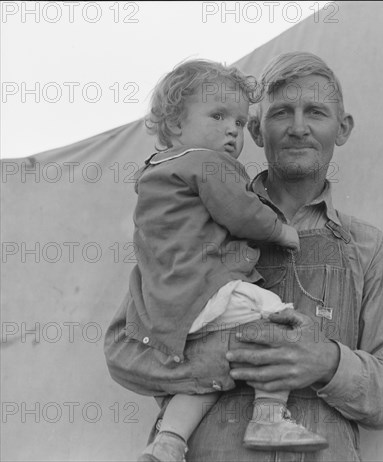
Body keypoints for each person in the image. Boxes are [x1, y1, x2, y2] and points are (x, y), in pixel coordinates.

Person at [145, 52, 383, 461]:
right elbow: (135, 350)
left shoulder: (367, 247)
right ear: (255, 128)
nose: (299, 127)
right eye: (282, 113)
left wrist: (327, 363)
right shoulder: (190, 226)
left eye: (316, 112)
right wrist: (221, 359)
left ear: (342, 129)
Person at [103, 59, 330, 462]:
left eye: (240, 122)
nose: (232, 129)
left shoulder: (157, 174)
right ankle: (269, 415)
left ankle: (169, 443)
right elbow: (241, 210)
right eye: (219, 115)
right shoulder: (208, 164)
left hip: (169, 307)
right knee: (284, 323)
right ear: (174, 125)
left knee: (202, 382)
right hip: (205, 289)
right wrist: (281, 232)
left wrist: (205, 364)